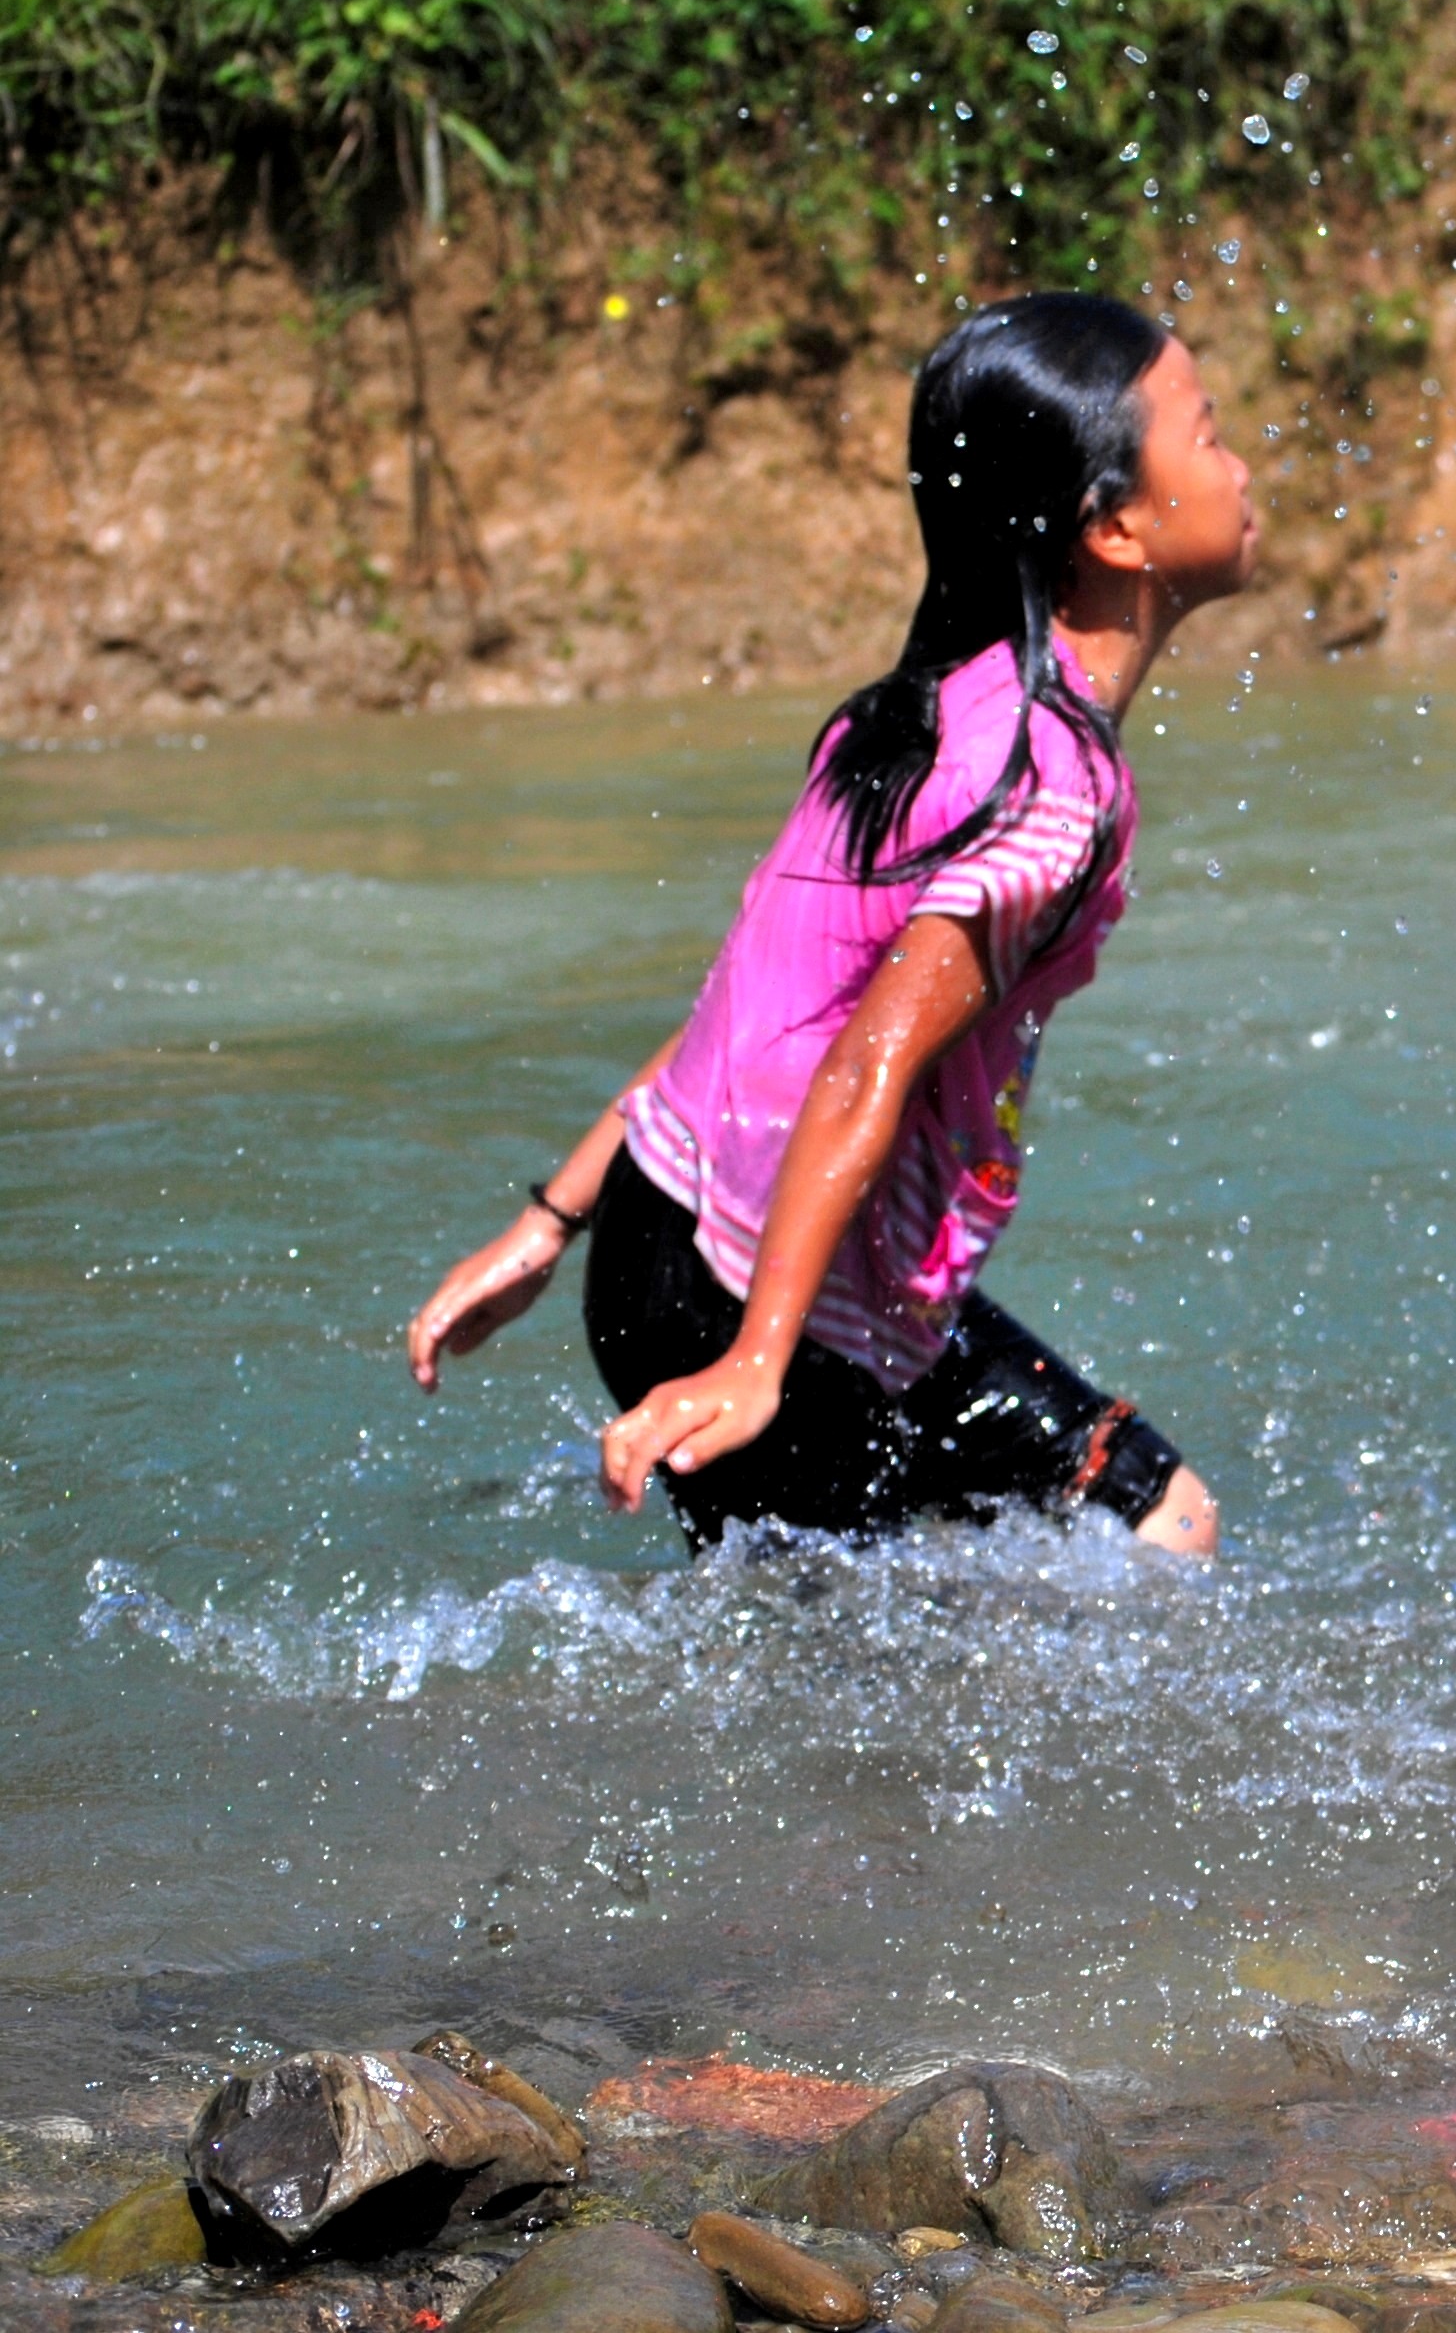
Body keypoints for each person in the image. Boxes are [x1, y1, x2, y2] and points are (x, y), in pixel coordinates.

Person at [403, 293, 1255, 1552]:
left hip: (664, 1230)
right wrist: (757, 1359)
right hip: (752, 1291)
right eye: (1210, 433)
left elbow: (748, 1016)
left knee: (965, 1588)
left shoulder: (914, 715)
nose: (1240, 467)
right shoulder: (1051, 789)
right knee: (1143, 1535)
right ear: (1114, 525)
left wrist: (554, 1222)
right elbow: (864, 1059)